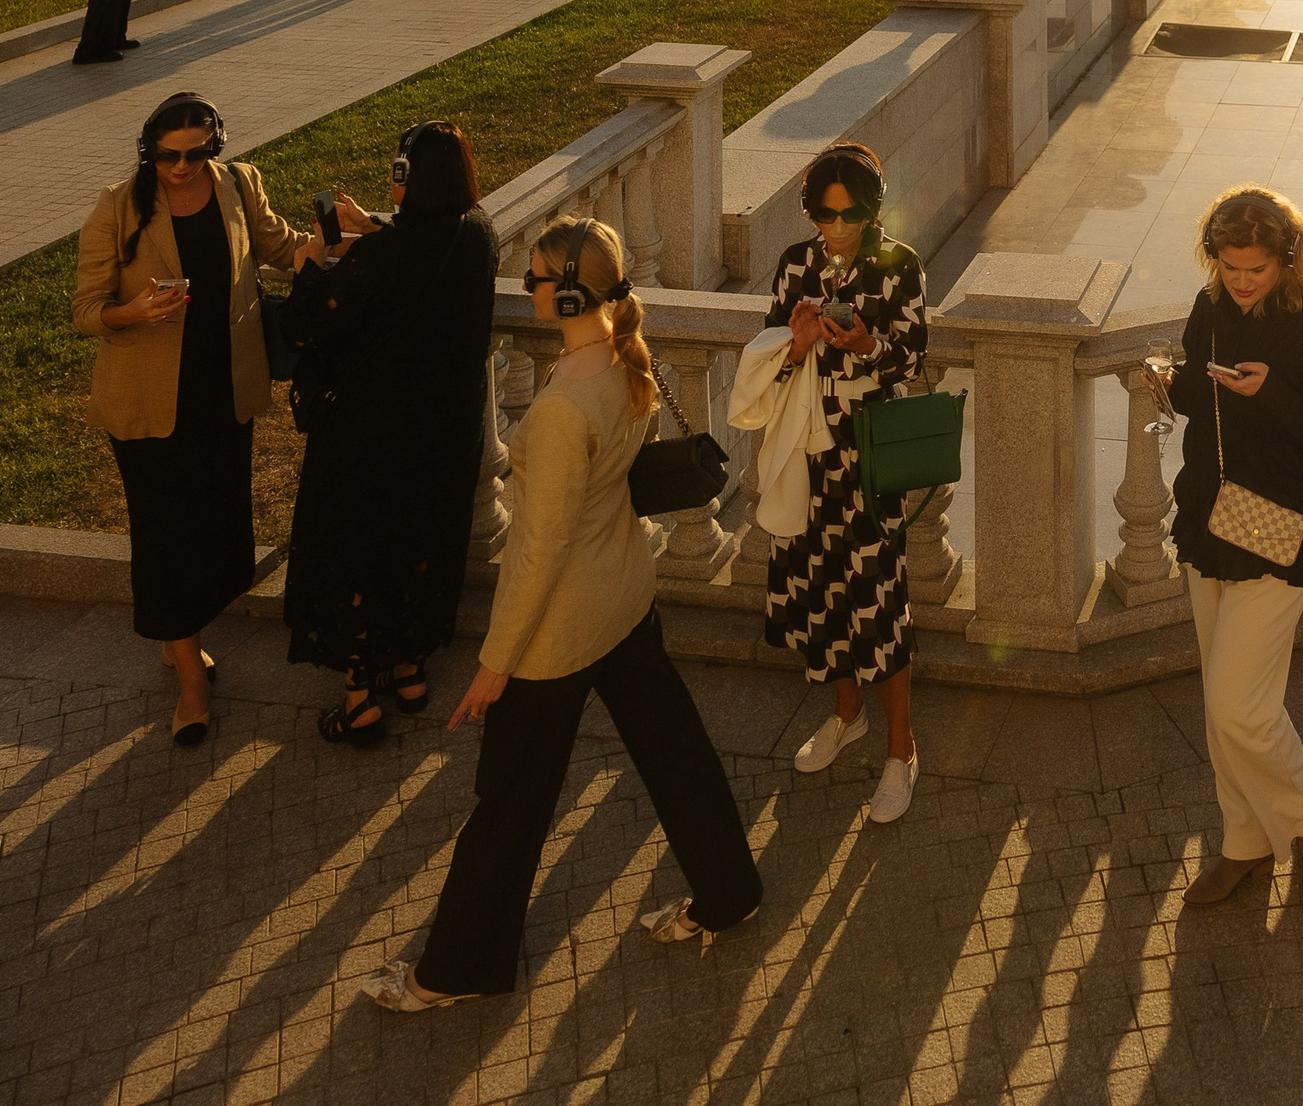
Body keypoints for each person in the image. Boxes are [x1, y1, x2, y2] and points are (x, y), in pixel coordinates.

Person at [364, 217, 762, 1011]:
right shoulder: (622, 361)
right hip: (623, 598)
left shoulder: (558, 409)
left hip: (559, 632)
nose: (527, 287)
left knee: (508, 805)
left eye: (538, 276)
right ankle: (730, 890)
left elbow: (537, 551)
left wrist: (492, 664)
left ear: (573, 290)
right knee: (677, 753)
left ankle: (451, 973)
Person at [72, 92, 316, 746]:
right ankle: (190, 680)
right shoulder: (117, 207)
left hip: (221, 393)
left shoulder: (239, 184)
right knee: (165, 536)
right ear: (148, 149)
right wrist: (134, 313)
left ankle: (178, 639)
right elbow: (86, 309)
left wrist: (344, 246)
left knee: (214, 526)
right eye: (168, 154)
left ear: (216, 145)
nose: (182, 166)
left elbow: (277, 245)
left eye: (198, 151)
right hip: (148, 405)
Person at [1150, 186, 1303, 910]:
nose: (1241, 282)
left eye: (1256, 269)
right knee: (1220, 706)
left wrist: (1271, 393)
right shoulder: (1210, 309)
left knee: (1241, 707)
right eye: (1230, 266)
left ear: (1287, 259)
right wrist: (1171, 384)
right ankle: (1243, 839)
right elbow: (1200, 397)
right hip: (1211, 520)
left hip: (1279, 530)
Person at [282, 122, 497, 747]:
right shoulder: (477, 236)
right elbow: (423, 247)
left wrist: (311, 264)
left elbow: (306, 326)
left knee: (359, 552)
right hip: (444, 439)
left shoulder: (377, 260)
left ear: (407, 180)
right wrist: (378, 223)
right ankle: (409, 673)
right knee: (424, 544)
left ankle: (357, 701)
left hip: (368, 438)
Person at [746, 142, 930, 825]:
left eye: (847, 214)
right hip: (807, 454)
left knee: (878, 600)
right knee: (819, 590)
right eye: (822, 215)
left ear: (871, 207)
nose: (834, 226)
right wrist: (795, 342)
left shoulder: (899, 265)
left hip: (869, 459)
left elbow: (911, 355)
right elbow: (770, 347)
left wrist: (866, 347)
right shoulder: (797, 263)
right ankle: (844, 714)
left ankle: (900, 749)